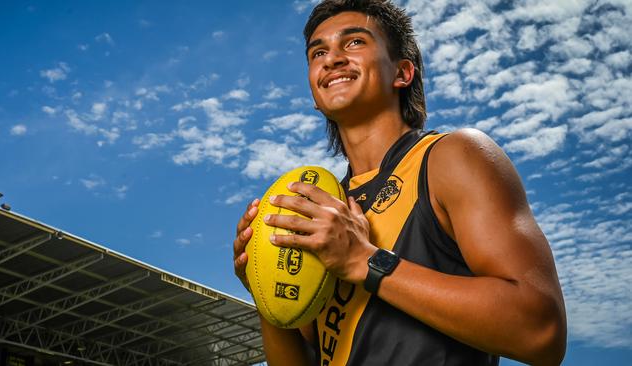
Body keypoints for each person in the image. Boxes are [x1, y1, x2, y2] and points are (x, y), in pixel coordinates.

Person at [233, 0, 567, 365]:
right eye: (318, 52)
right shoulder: (328, 212)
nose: (332, 59)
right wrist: (265, 290)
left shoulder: (451, 157)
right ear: (315, 92)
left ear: (403, 72)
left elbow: (541, 331)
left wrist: (366, 261)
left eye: (355, 42)